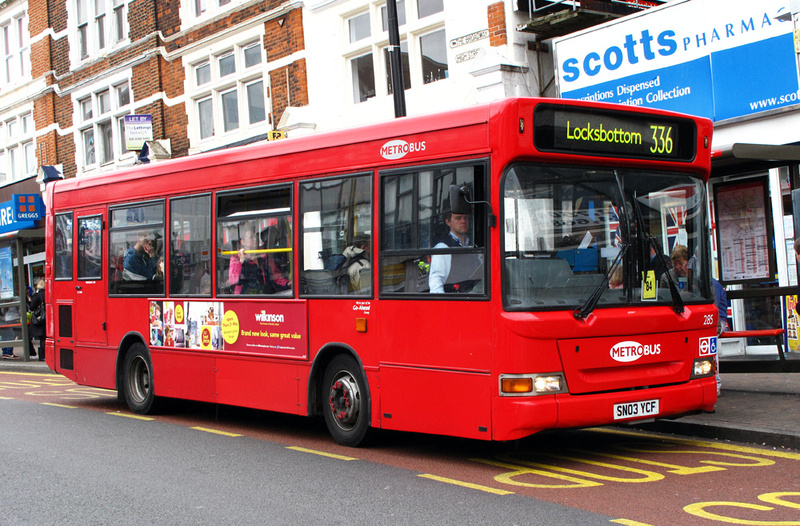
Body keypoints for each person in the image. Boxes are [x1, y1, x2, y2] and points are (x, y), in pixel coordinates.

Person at [429, 211, 481, 293]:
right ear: (448, 222)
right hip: (455, 299)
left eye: (466, 218)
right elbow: (436, 280)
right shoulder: (443, 247)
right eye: (458, 218)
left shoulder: (473, 245)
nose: (463, 221)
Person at [712, 278, 728, 395]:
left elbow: (715, 308)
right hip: (711, 321)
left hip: (718, 322)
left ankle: (716, 383)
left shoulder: (712, 284)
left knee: (709, 342)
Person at [29, 279, 45, 361]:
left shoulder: (37, 296)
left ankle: (41, 355)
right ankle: (45, 355)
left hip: (40, 319)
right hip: (48, 318)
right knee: (45, 338)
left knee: (41, 338)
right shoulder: (50, 293)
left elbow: (32, 307)